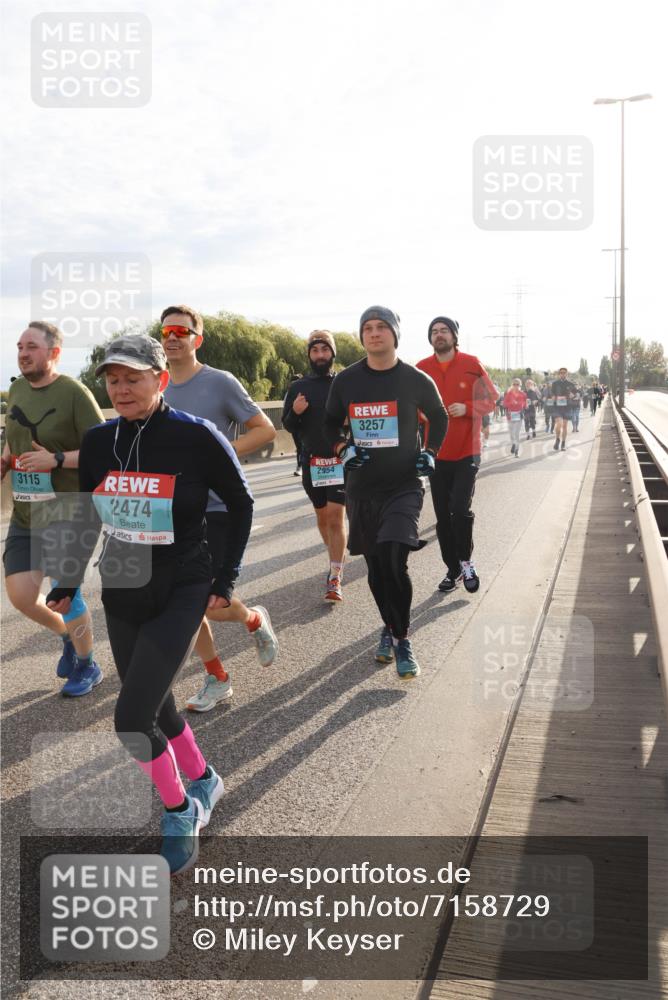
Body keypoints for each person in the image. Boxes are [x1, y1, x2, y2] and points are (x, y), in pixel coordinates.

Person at [46, 334, 254, 874]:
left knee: (131, 717)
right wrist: (69, 580)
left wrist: (225, 578)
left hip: (183, 579)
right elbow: (91, 514)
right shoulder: (97, 443)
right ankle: (204, 778)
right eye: (112, 379)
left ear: (160, 380)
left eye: (133, 377)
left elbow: (240, 499)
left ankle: (180, 809)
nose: (121, 388)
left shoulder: (197, 436)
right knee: (156, 704)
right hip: (122, 580)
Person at [159, 304, 278, 714]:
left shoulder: (220, 383)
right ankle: (217, 677)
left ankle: (253, 620)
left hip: (219, 508)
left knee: (210, 601)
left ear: (197, 338)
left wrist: (215, 458)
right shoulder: (156, 389)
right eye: (166, 331)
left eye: (182, 330)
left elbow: (265, 429)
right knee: (187, 600)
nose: (172, 337)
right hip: (173, 513)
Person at [324, 306, 447, 678]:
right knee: (377, 568)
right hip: (362, 490)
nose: (375, 333)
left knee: (395, 558)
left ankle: (402, 637)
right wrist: (343, 448)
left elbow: (439, 417)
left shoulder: (415, 379)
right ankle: (390, 625)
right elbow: (329, 424)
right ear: (362, 336)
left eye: (382, 328)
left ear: (395, 334)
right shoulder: (346, 380)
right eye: (368, 328)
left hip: (404, 485)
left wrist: (429, 452)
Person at [1, 321, 104, 696]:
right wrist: (5, 461)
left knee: (66, 596)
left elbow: (103, 450)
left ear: (54, 353)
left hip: (67, 512)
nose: (23, 353)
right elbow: (15, 438)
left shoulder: (74, 394)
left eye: (32, 347)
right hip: (27, 513)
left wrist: (57, 459)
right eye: (19, 346)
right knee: (21, 596)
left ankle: (88, 664)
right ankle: (67, 637)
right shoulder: (15, 389)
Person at [416, 317, 497, 595]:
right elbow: (410, 406)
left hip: (467, 451)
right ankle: (452, 569)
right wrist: (420, 414)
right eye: (434, 332)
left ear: (454, 336)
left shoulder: (472, 364)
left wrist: (469, 407)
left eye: (444, 331)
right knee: (442, 516)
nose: (439, 335)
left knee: (460, 509)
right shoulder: (421, 369)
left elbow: (493, 400)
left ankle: (466, 562)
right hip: (436, 453)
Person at [282, 331, 347, 601]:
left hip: (339, 460)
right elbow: (287, 425)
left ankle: (335, 574)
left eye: (325, 350)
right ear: (309, 355)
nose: (320, 355)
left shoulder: (343, 383)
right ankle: (335, 555)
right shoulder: (298, 388)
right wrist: (295, 412)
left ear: (332, 353)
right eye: (315, 351)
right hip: (313, 462)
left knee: (335, 516)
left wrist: (348, 423)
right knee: (322, 518)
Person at [551, 367, 577, 451]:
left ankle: (563, 443)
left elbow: (576, 393)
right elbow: (551, 393)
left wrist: (573, 395)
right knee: (559, 424)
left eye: (564, 372)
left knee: (565, 426)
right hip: (557, 407)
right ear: (559, 374)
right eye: (561, 372)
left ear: (567, 374)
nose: (563, 374)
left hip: (567, 407)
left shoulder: (571, 384)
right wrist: (553, 397)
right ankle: (557, 438)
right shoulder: (555, 383)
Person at [503, 379, 528, 456]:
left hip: (519, 415)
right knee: (511, 433)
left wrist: (522, 404)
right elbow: (504, 404)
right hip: (510, 415)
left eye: (517, 384)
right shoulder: (508, 394)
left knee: (516, 433)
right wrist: (511, 403)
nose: (516, 386)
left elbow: (525, 404)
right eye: (514, 384)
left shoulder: (523, 394)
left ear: (520, 385)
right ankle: (513, 443)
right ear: (512, 385)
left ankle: (517, 449)